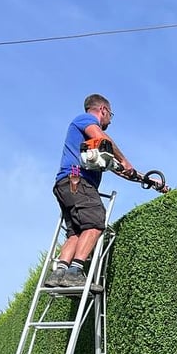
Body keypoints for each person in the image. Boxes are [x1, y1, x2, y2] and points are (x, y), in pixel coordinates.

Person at [46, 94, 136, 288]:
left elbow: (118, 168)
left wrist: (146, 179)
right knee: (96, 223)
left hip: (66, 184)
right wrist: (125, 160)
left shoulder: (90, 144)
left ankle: (59, 273)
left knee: (76, 233)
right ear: (103, 109)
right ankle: (75, 271)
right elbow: (104, 139)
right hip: (78, 180)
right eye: (110, 116)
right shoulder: (85, 119)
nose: (109, 122)